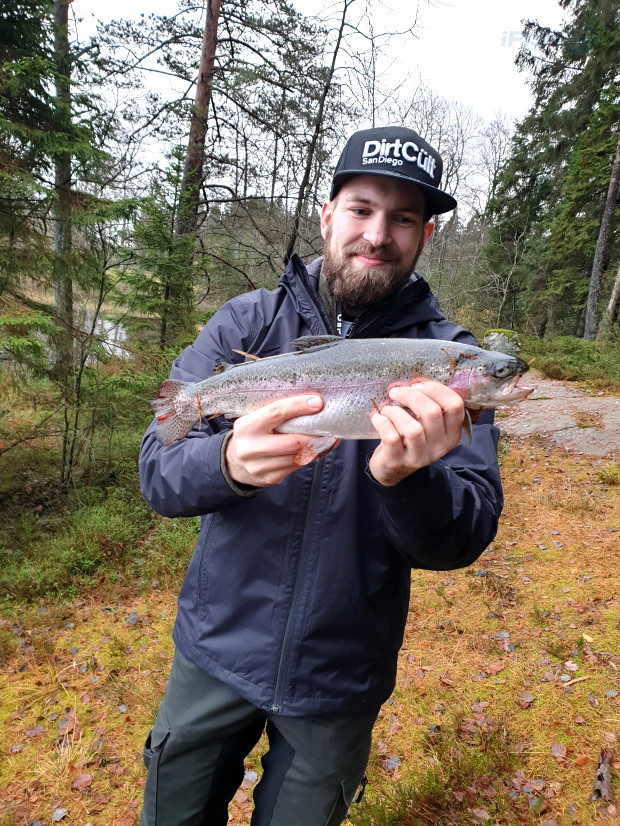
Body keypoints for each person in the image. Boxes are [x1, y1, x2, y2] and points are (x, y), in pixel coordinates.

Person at [138, 125, 503, 826]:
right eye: (362, 208)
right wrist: (226, 464)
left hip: (342, 673)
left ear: (425, 234)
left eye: (403, 219)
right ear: (328, 213)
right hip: (215, 646)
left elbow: (465, 535)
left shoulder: (451, 361)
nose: (378, 234)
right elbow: (157, 470)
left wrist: (409, 480)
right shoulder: (246, 323)